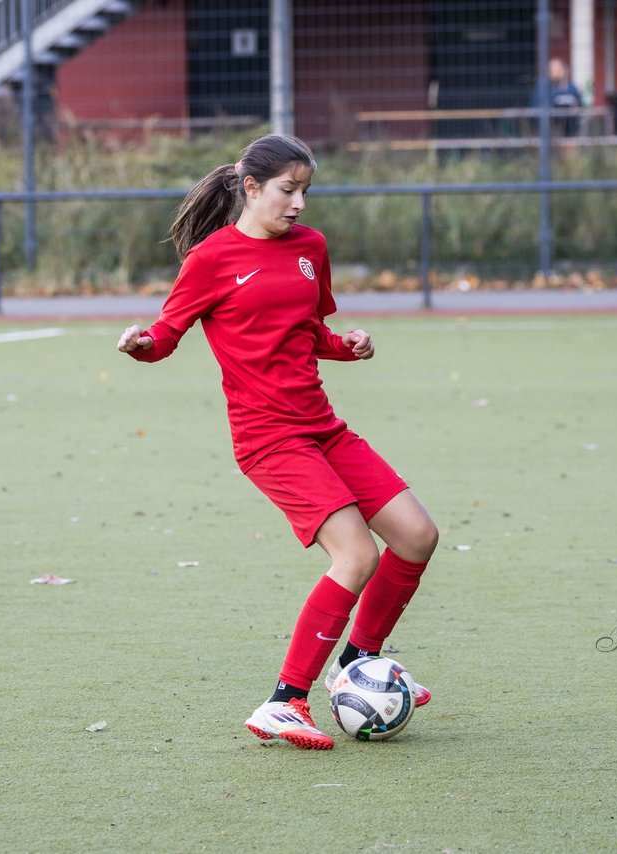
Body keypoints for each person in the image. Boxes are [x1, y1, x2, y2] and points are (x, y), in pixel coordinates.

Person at [117, 134, 438, 751]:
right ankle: (284, 702)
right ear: (252, 187)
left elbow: (308, 329)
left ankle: (357, 662)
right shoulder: (210, 259)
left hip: (322, 425)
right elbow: (166, 335)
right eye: (288, 191)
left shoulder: (310, 248)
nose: (299, 205)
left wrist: (346, 344)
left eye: (305, 192)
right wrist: (141, 345)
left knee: (417, 535)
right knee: (356, 556)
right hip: (268, 438)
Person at [530, 57, 584, 136]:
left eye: (558, 70)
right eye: (553, 70)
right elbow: (535, 106)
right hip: (547, 125)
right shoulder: (542, 86)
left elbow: (578, 102)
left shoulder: (571, 87)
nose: (556, 73)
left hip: (569, 124)